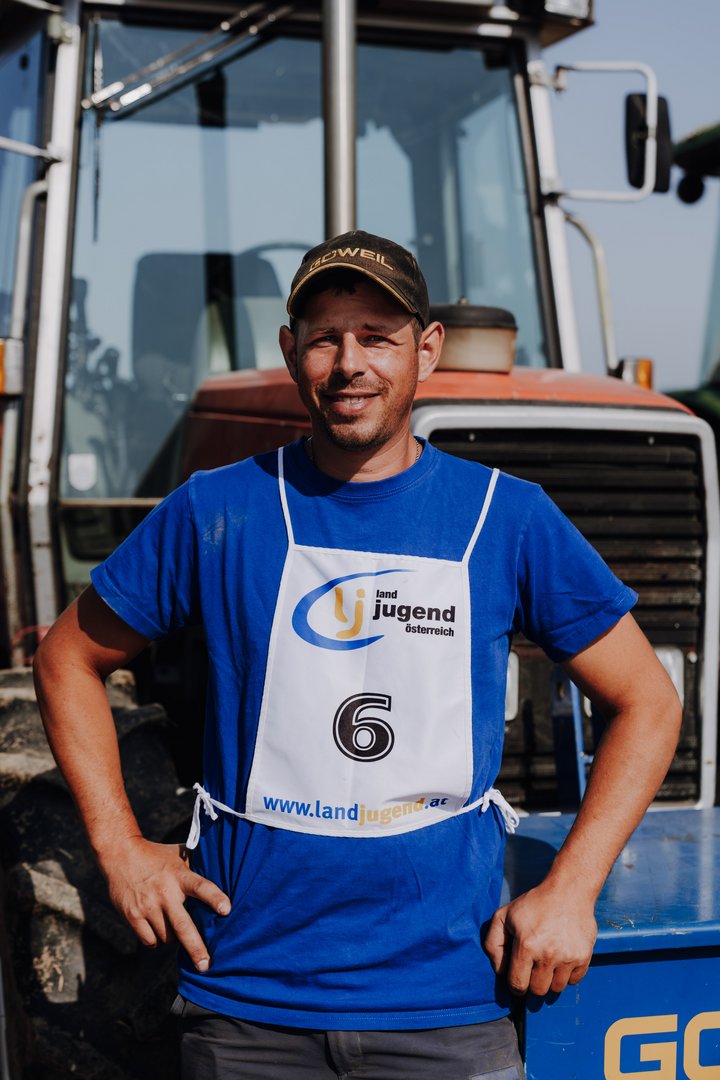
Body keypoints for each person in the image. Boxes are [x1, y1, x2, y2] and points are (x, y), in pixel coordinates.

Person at [34, 231, 681, 1080]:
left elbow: (647, 700)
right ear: (290, 351)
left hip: (448, 1007)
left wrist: (572, 889)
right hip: (247, 1007)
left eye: (377, 336)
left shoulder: (507, 516)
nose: (350, 364)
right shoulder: (217, 509)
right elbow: (66, 659)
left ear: (427, 349)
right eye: (325, 338)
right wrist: (119, 848)